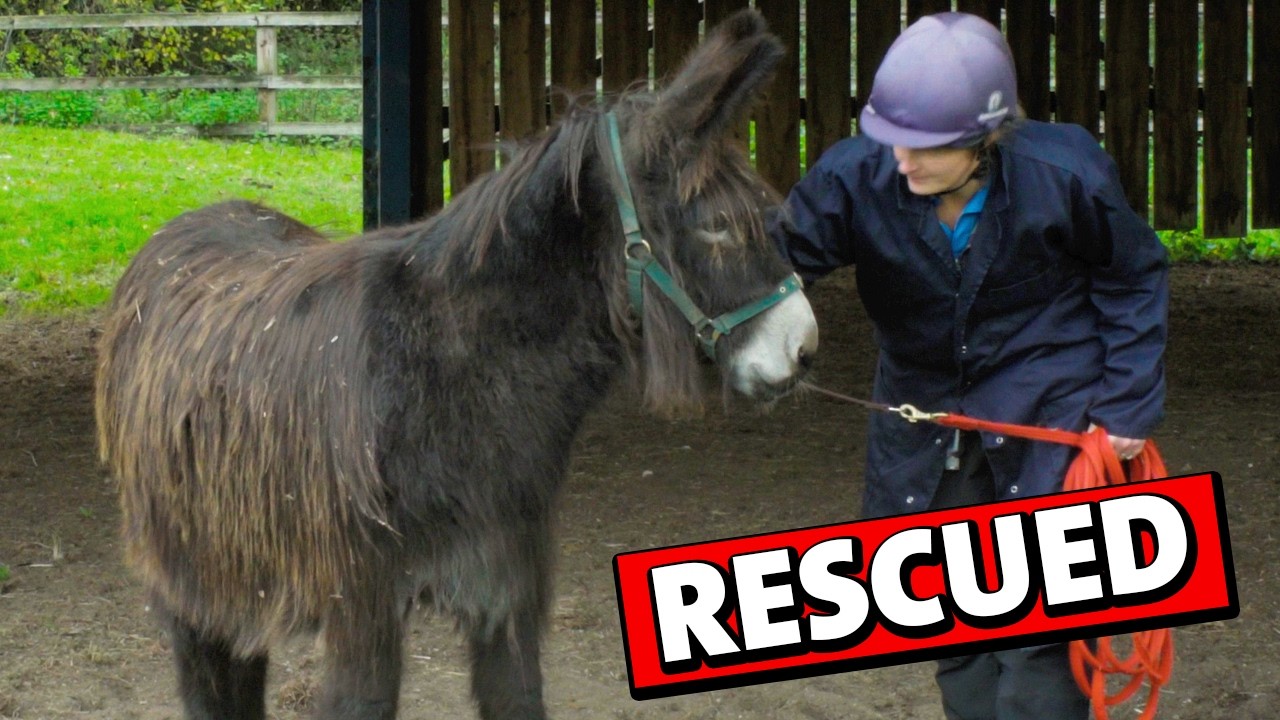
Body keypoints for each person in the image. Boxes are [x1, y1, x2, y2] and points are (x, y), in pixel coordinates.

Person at [769, 12, 1168, 720]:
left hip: (1052, 413)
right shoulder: (854, 176)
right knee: (950, 617)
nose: (903, 161)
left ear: (986, 138)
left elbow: (1133, 276)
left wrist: (1127, 407)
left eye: (927, 148)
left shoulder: (1065, 172)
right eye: (893, 141)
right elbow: (769, 269)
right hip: (924, 423)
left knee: (1042, 632)